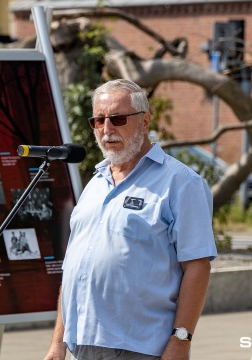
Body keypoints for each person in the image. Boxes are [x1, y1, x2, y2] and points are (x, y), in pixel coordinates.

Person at [44, 79, 217, 360]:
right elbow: (77, 268)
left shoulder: (181, 182)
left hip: (141, 347)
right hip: (81, 345)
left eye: (118, 119)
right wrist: (58, 342)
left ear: (145, 120)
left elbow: (197, 266)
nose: (107, 129)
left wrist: (181, 340)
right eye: (98, 120)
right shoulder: (95, 183)